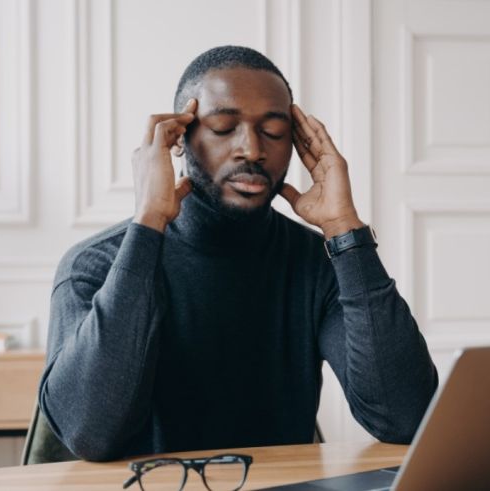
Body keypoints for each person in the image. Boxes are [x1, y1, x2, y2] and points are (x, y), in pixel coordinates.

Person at [39, 45, 438, 462]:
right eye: (225, 127)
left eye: (274, 131)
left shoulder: (316, 264)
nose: (252, 149)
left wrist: (345, 230)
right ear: (178, 140)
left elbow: (407, 418)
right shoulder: (94, 266)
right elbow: (90, 434)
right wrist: (148, 224)